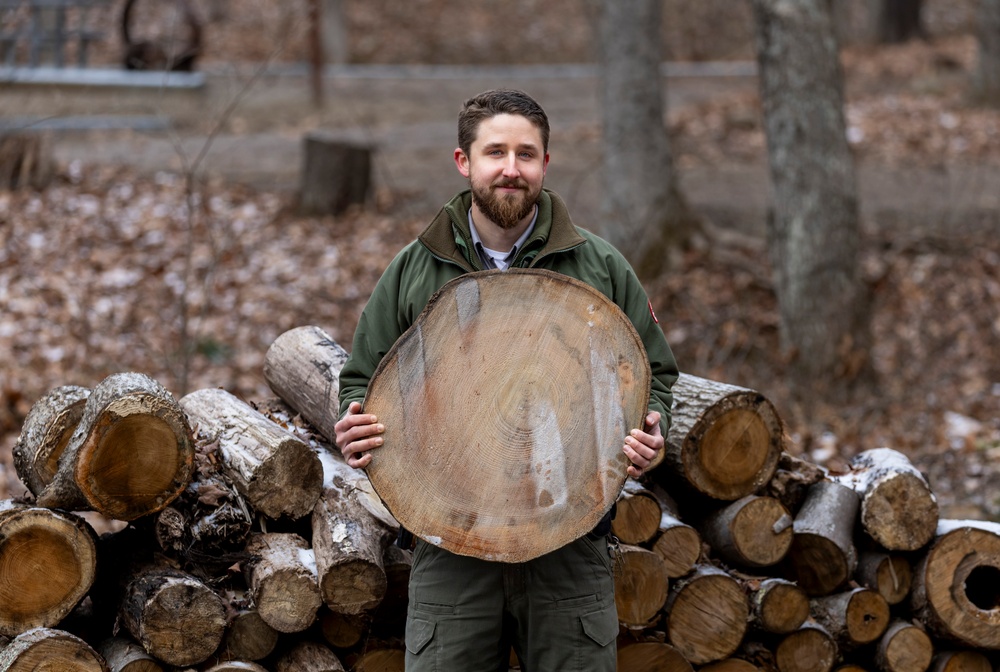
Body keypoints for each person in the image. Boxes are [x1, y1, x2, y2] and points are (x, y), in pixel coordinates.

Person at [335, 88, 678, 671]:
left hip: (571, 543)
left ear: (546, 163)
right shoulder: (415, 268)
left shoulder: (598, 265)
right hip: (450, 545)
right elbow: (361, 381)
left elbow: (656, 375)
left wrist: (653, 427)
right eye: (495, 153)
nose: (511, 170)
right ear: (464, 162)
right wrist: (353, 423)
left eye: (527, 154)